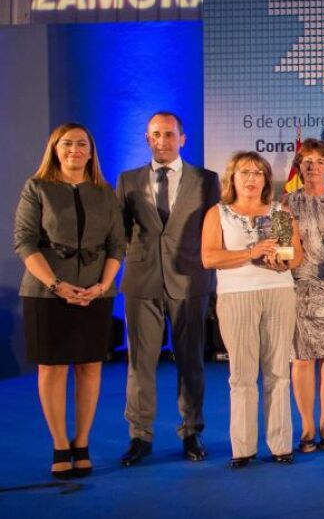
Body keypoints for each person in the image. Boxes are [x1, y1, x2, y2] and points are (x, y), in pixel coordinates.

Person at [15, 123, 125, 479]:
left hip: (95, 293)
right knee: (53, 368)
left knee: (90, 367)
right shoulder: (37, 187)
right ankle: (60, 444)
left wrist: (103, 285)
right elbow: (25, 242)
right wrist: (56, 285)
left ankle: (82, 442)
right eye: (67, 144)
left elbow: (117, 245)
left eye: (81, 144)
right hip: (46, 293)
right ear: (54, 149)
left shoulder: (105, 192)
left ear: (91, 152)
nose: (74, 149)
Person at [116, 112, 220, 467]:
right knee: (139, 363)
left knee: (191, 361)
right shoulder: (128, 180)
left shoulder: (206, 180)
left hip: (190, 281)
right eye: (156, 134)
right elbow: (120, 232)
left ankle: (191, 432)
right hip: (141, 281)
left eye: (169, 134)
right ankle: (139, 437)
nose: (162, 141)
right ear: (147, 138)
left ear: (182, 138)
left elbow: (213, 230)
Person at [200, 151, 304, 468]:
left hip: (278, 292)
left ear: (266, 180)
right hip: (236, 296)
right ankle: (243, 448)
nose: (251, 178)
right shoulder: (217, 213)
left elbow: (297, 256)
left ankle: (280, 444)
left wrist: (282, 261)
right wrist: (251, 252)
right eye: (245, 172)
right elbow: (209, 258)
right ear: (232, 178)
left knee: (278, 372)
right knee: (242, 375)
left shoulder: (280, 212)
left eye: (258, 173)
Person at [283, 139, 324, 453]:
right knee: (301, 359)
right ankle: (307, 426)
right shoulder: (286, 202)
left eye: (319, 161)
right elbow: (283, 245)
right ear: (299, 167)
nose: (313, 167)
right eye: (307, 161)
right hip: (298, 289)